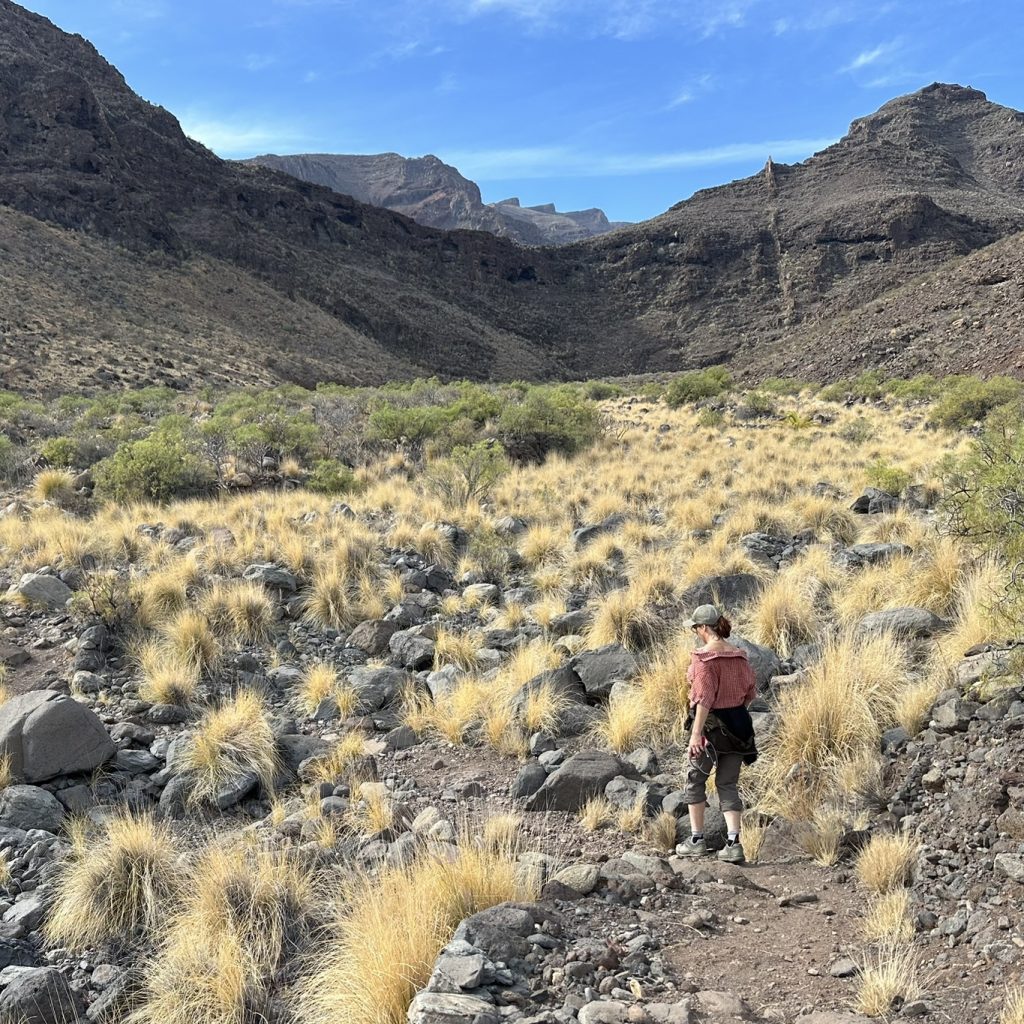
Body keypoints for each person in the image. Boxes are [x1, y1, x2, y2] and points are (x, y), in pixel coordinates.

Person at [675, 603, 758, 864]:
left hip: (710, 729)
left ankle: (697, 840)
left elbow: (704, 699)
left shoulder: (704, 658)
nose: (696, 632)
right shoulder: (740, 656)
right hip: (739, 728)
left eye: (696, 628)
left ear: (702, 628)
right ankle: (734, 844)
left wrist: (696, 734)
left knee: (695, 779)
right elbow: (750, 694)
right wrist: (734, 713)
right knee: (727, 784)